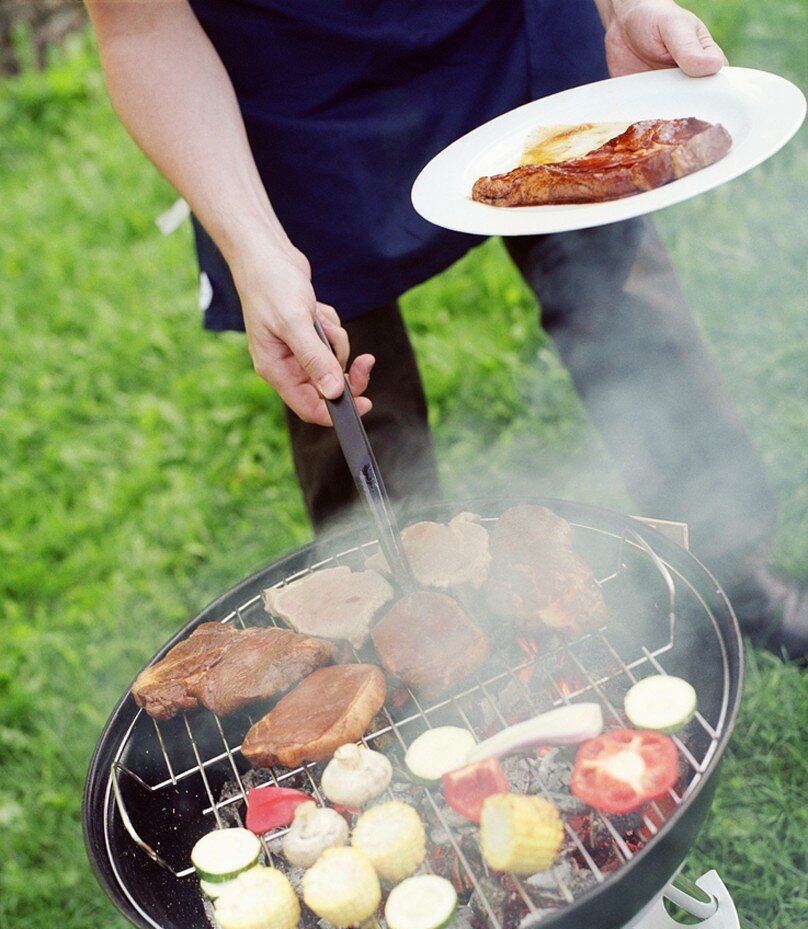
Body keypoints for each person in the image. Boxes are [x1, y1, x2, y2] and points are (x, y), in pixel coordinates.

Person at [85, 0, 807, 660]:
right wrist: (253, 248)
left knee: (620, 295)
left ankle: (729, 571)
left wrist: (624, 4)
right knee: (345, 383)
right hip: (292, 80)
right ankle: (418, 661)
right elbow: (141, 25)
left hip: (509, 20)